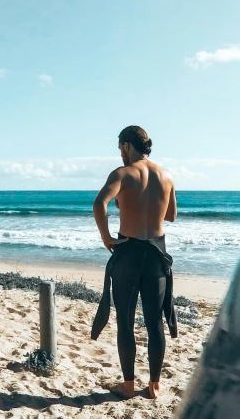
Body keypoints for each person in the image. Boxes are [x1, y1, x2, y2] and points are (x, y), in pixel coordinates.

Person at [91, 126, 178, 400]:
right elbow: (171, 216)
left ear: (127, 146)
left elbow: (99, 204)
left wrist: (106, 236)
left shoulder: (122, 174)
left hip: (128, 253)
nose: (120, 155)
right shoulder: (166, 176)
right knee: (155, 322)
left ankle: (128, 386)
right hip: (156, 255)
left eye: (120, 149)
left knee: (126, 322)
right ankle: (154, 386)